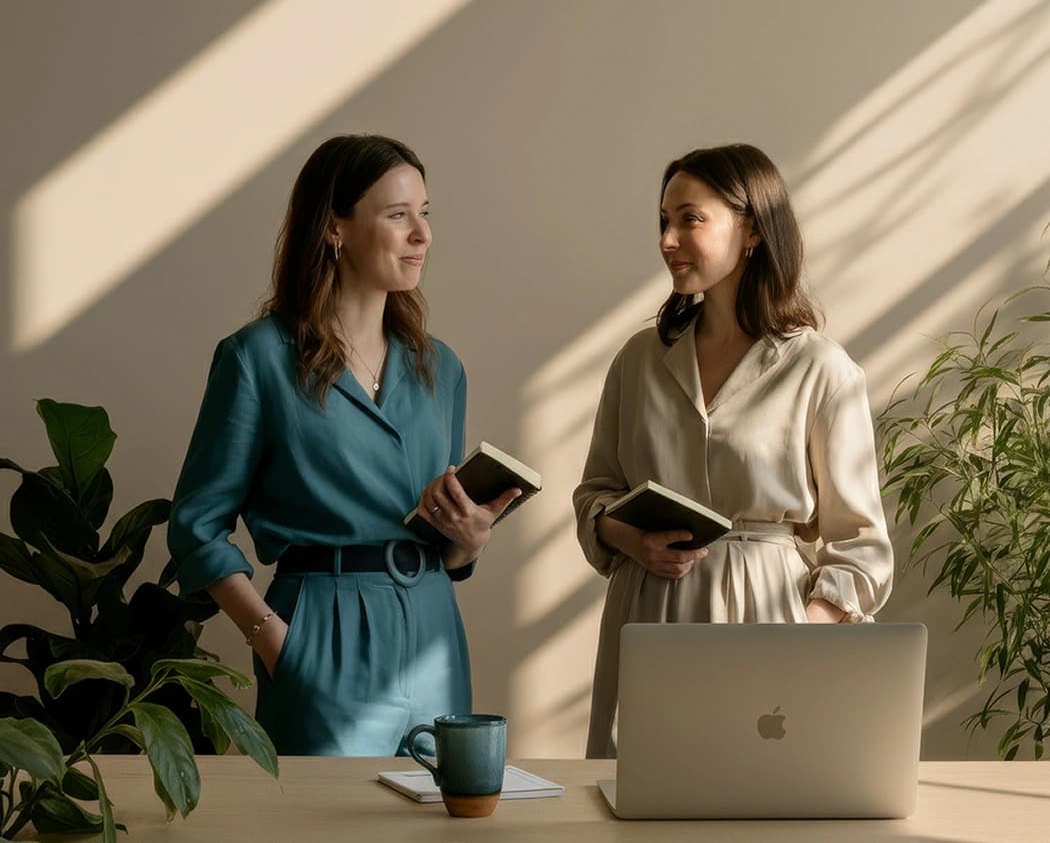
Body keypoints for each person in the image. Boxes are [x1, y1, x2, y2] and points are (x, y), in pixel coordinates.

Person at [167, 134, 519, 756]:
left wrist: (468, 544)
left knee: (435, 824)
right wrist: (277, 643)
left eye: (425, 213)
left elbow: (439, 531)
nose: (422, 234)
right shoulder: (256, 360)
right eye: (397, 215)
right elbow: (197, 525)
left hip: (434, 630)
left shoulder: (441, 368)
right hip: (321, 631)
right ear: (335, 228)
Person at [573, 144, 894, 758]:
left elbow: (862, 546)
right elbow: (595, 493)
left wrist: (802, 636)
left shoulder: (820, 371)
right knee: (641, 800)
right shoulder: (639, 359)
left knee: (760, 797)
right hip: (649, 615)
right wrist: (629, 537)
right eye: (663, 221)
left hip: (768, 624)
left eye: (689, 219)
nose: (668, 239)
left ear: (750, 229)